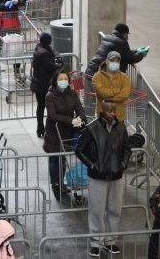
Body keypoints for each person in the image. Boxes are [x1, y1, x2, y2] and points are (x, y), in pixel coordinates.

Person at [75, 99, 132, 257]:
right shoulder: (92, 128)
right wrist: (92, 165)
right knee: (96, 211)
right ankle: (96, 242)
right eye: (109, 110)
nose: (112, 113)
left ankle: (110, 241)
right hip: (97, 177)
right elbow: (79, 150)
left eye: (114, 110)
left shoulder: (121, 128)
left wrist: (123, 164)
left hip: (116, 176)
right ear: (101, 110)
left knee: (115, 210)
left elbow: (127, 148)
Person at [44, 69, 85, 200]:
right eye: (60, 79)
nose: (63, 82)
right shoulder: (50, 96)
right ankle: (56, 184)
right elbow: (53, 115)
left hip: (67, 132)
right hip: (54, 132)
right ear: (56, 81)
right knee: (55, 159)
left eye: (65, 79)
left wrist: (80, 119)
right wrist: (71, 120)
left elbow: (80, 109)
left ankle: (61, 183)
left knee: (63, 159)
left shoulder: (72, 94)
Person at [30, 32, 62, 138]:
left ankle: (40, 128)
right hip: (44, 85)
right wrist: (59, 64)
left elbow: (53, 51)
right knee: (49, 107)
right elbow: (52, 67)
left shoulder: (39, 48)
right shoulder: (44, 53)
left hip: (39, 83)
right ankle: (47, 129)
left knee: (41, 106)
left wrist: (56, 56)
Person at [92, 51, 131, 123]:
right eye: (112, 60)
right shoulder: (97, 76)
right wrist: (116, 91)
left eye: (117, 61)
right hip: (102, 117)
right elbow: (101, 92)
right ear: (106, 61)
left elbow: (124, 95)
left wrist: (107, 98)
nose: (115, 63)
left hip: (119, 117)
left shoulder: (124, 78)